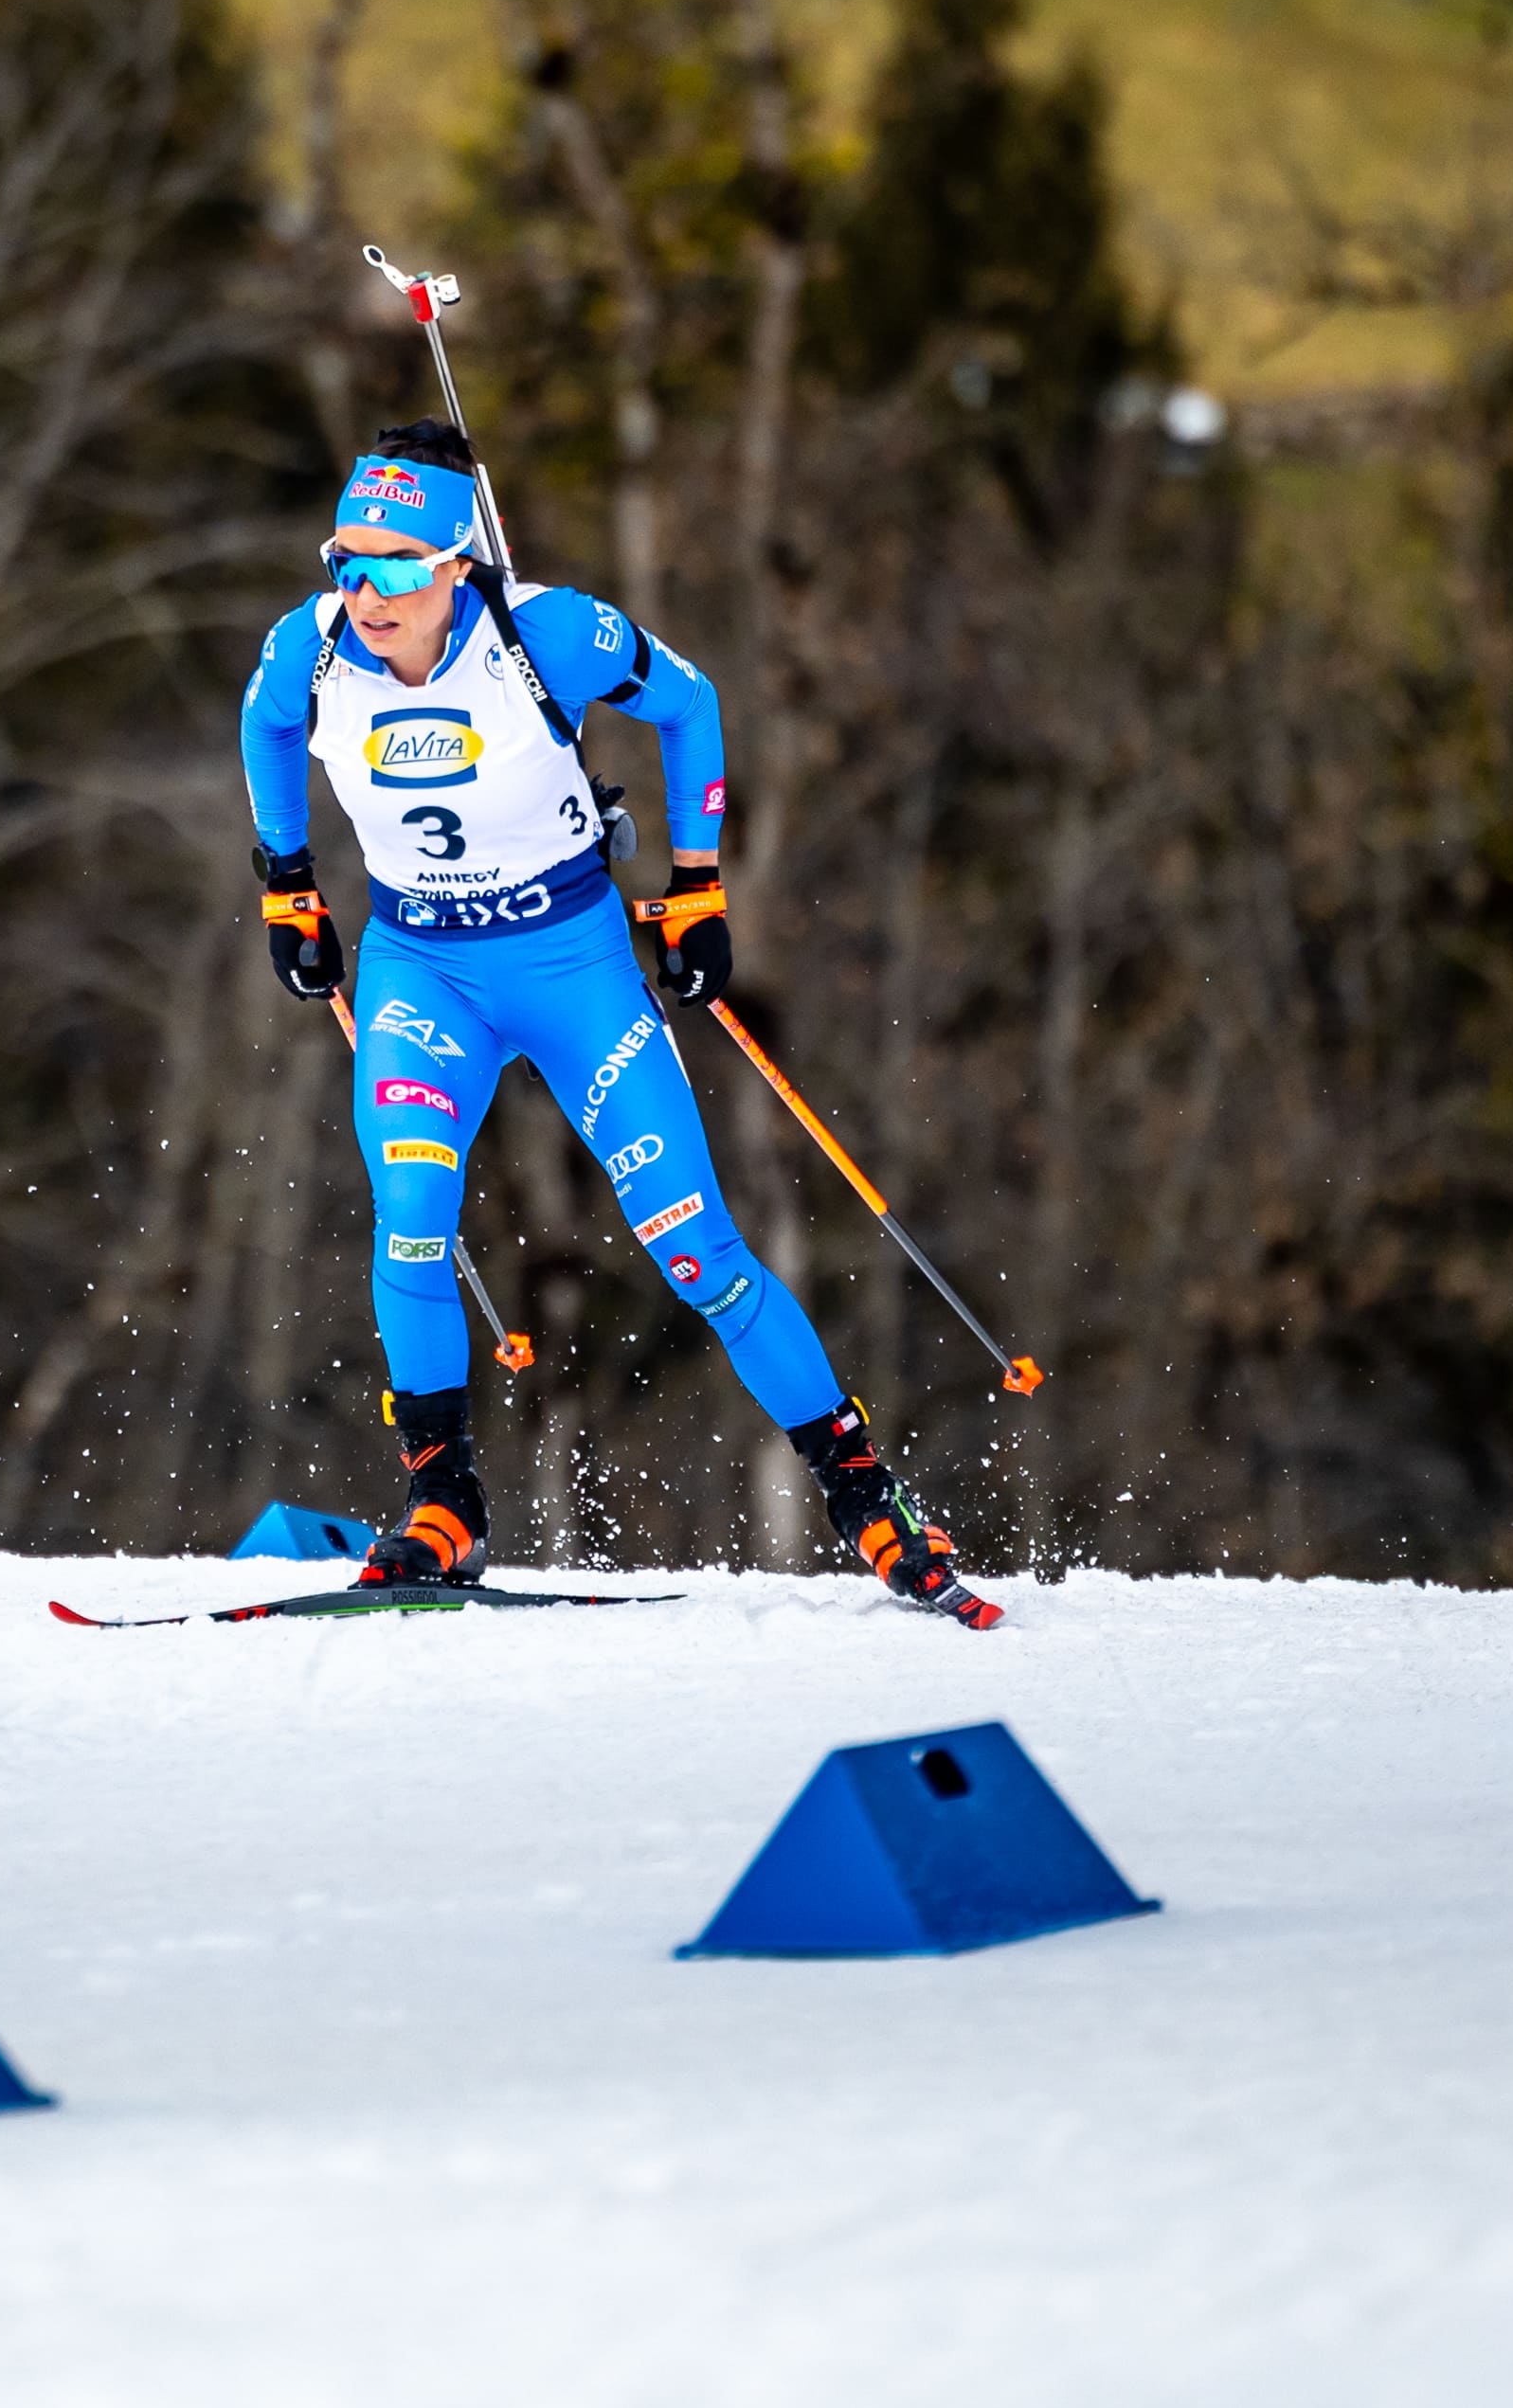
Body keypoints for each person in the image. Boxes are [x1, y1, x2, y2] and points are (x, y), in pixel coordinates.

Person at [238, 421, 996, 1625]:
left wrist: (697, 883)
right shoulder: (311, 648)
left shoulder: (547, 634)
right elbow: (265, 725)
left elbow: (690, 704)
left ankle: (868, 1495)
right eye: (345, 561)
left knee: (698, 1252)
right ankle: (444, 1502)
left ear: (455, 562)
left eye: (392, 567)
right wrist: (288, 878)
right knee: (414, 1220)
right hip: (422, 973)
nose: (364, 594)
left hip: (575, 967)